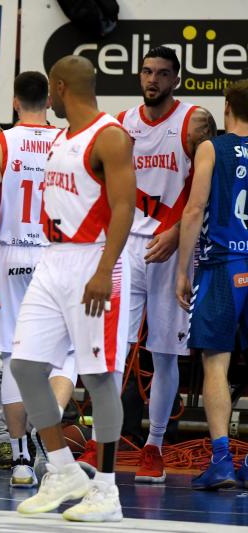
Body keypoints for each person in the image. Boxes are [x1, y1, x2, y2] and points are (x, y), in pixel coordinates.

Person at [76, 46, 217, 482]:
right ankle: (105, 442)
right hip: (126, 247)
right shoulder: (121, 124)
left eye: (162, 73)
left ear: (176, 79)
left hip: (174, 246)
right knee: (111, 348)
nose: (152, 79)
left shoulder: (194, 120)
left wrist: (177, 234)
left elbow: (206, 186)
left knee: (164, 351)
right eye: (146, 71)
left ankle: (155, 445)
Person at [10, 55, 135, 522]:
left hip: (94, 260)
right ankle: (62, 470)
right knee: (24, 366)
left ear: (60, 87)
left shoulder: (110, 136)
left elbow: (124, 207)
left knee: (100, 376)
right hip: (53, 259)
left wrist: (103, 270)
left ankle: (107, 491)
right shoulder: (62, 137)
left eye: (51, 91)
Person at [0, 71, 77, 488]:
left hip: (10, 252)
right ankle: (46, 428)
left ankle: (20, 459)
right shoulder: (68, 142)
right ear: (50, 100)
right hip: (57, 253)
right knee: (66, 354)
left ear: (15, 101)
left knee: (14, 356)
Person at [176, 79, 248, 490]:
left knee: (216, 362)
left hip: (222, 265)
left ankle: (222, 460)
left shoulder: (212, 148)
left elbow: (194, 209)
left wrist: (183, 270)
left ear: (227, 107)